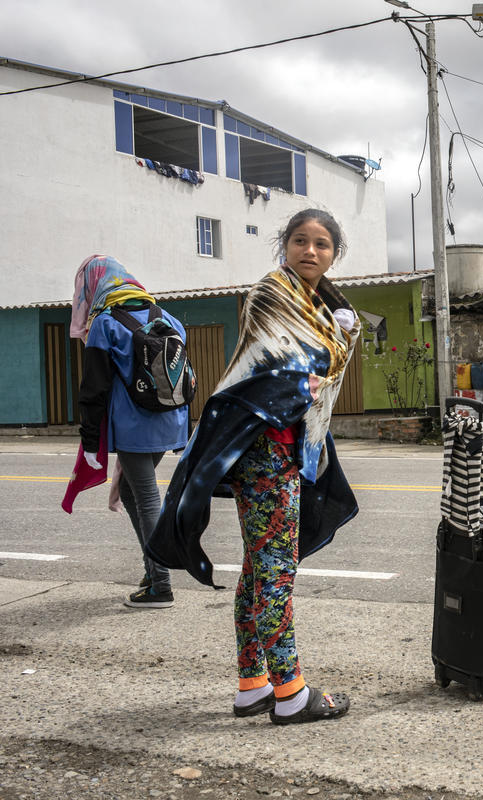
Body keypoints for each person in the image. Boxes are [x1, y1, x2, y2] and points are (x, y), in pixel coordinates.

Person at [148, 209, 361, 724]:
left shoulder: (323, 304)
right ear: (283, 245)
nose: (310, 251)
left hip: (282, 449)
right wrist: (340, 338)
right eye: (300, 240)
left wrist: (341, 335)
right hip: (264, 448)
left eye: (322, 244)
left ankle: (252, 685)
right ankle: (291, 693)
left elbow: (321, 365)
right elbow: (297, 366)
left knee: (258, 569)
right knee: (274, 573)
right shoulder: (272, 294)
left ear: (335, 254)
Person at [71, 255, 190, 609]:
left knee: (147, 496)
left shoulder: (105, 324)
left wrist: (91, 441)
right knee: (129, 489)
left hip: (135, 425)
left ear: (94, 287)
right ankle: (152, 570)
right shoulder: (167, 317)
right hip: (172, 419)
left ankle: (161, 584)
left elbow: (93, 390)